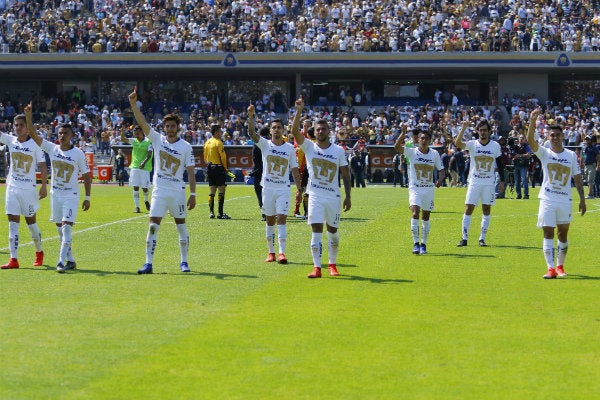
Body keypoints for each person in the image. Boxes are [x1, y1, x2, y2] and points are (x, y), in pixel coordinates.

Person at [128, 87, 196, 274]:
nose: (170, 129)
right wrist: (133, 104)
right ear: (164, 128)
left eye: (173, 126)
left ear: (178, 127)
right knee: (152, 227)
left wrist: (193, 194)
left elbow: (190, 171)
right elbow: (142, 122)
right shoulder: (157, 140)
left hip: (177, 193)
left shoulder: (186, 146)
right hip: (159, 191)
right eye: (167, 126)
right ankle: (148, 263)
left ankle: (184, 262)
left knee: (181, 228)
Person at [24, 104, 91, 273]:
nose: (62, 136)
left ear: (72, 136)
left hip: (71, 195)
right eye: (60, 133)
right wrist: (28, 116)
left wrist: (88, 197)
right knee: (61, 231)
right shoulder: (52, 148)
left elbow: (87, 175)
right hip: (56, 195)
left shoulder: (78, 153)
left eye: (65, 133)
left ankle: (60, 262)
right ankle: (71, 260)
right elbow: (32, 133)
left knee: (67, 227)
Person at [291, 97, 351, 278]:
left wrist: (348, 196)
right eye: (318, 129)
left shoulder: (338, 151)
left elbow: (346, 175)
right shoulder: (309, 147)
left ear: (328, 132)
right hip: (315, 195)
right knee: (316, 230)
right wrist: (299, 111)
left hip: (333, 197)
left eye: (324, 129)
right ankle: (317, 267)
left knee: (332, 232)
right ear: (314, 132)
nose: (320, 131)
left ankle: (332, 265)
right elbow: (294, 131)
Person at [526, 108, 586, 279]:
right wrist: (532, 121)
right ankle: (550, 268)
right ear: (549, 137)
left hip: (565, 200)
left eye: (557, 135)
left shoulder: (571, 155)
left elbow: (577, 176)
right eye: (552, 135)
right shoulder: (545, 153)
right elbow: (531, 140)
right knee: (547, 232)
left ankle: (560, 266)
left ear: (563, 136)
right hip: (547, 199)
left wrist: (582, 199)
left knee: (563, 234)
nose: (555, 138)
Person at [247, 104, 301, 264]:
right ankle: (271, 252)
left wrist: (299, 189)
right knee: (270, 220)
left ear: (283, 130)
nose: (276, 130)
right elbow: (251, 133)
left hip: (283, 189)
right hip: (268, 188)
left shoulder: (290, 148)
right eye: (274, 127)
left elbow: (295, 170)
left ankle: (282, 253)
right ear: (270, 131)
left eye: (279, 127)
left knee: (282, 219)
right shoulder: (265, 144)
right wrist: (251, 116)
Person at [0, 113, 47, 269]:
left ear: (28, 128)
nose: (18, 127)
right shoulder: (10, 140)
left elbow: (42, 165)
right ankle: (14, 259)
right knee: (12, 224)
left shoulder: (35, 144)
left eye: (21, 125)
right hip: (12, 187)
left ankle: (39, 251)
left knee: (31, 224)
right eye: (16, 125)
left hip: (28, 190)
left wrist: (44, 185)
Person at [454, 119, 505, 247]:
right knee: (468, 208)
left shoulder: (495, 146)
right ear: (477, 131)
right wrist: (463, 128)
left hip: (489, 182)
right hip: (474, 182)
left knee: (486, 209)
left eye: (485, 130)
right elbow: (458, 143)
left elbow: (500, 164)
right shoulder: (472, 144)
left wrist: (502, 181)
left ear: (489, 131)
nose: (483, 132)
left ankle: (482, 238)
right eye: (480, 130)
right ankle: (464, 238)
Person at [394, 128, 445, 255]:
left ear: (430, 140)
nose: (423, 140)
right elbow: (397, 147)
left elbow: (441, 170)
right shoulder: (412, 152)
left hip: (428, 189)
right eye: (421, 138)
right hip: (415, 187)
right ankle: (416, 243)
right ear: (418, 139)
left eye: (426, 138)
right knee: (415, 212)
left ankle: (424, 244)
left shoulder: (434, 154)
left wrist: (440, 179)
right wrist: (403, 133)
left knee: (426, 217)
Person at [121, 125, 153, 212]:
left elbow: (149, 154)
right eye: (135, 134)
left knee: (145, 188)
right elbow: (123, 139)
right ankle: (137, 207)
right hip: (134, 167)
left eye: (138, 133)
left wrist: (144, 162)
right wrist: (122, 133)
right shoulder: (134, 141)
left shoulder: (148, 142)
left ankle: (146, 200)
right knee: (135, 187)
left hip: (145, 168)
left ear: (142, 132)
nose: (136, 135)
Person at [204, 123, 230, 219]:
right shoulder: (219, 143)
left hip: (209, 167)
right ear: (215, 133)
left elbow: (205, 158)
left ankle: (211, 212)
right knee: (221, 190)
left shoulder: (207, 143)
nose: (221, 133)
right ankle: (220, 213)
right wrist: (225, 168)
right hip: (218, 168)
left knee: (212, 191)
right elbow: (223, 157)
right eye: (220, 131)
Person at [250, 125, 270, 221]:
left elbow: (254, 157)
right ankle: (270, 212)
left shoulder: (258, 142)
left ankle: (264, 213)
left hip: (258, 170)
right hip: (268, 170)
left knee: (259, 192)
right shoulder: (270, 142)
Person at [511, 133, 533, 199]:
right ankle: (518, 194)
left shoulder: (527, 146)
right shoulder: (515, 146)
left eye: (522, 138)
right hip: (516, 165)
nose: (521, 139)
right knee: (517, 181)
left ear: (525, 139)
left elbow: (529, 154)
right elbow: (512, 154)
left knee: (524, 180)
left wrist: (520, 155)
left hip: (524, 165)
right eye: (520, 137)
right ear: (518, 138)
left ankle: (526, 195)